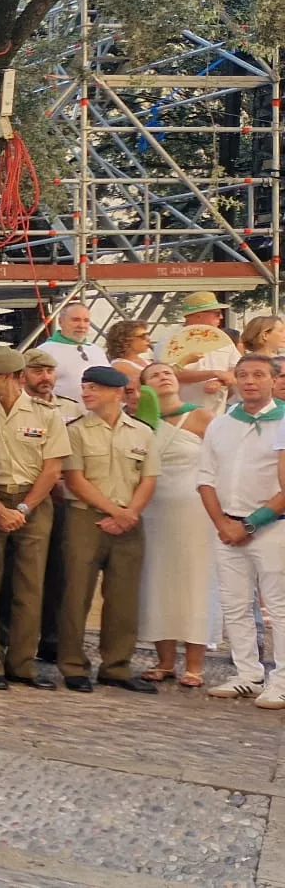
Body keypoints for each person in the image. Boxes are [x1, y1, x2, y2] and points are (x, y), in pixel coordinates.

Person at [0, 345, 71, 691]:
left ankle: (22, 663)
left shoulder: (46, 415)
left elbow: (52, 467)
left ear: (10, 377)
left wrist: (24, 508)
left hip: (34, 502)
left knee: (30, 586)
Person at [56, 365, 159, 693]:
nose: (86, 392)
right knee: (76, 594)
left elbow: (149, 478)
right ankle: (73, 665)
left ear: (117, 393)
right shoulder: (75, 430)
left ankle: (117, 666)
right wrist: (116, 512)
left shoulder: (141, 431)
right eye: (85, 386)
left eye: (95, 388)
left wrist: (129, 514)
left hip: (130, 519)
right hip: (87, 518)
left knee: (124, 597)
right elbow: (74, 479)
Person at [199, 356, 285, 704]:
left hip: (271, 526)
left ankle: (281, 678)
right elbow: (206, 477)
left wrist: (252, 523)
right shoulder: (220, 424)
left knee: (278, 606)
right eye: (243, 375)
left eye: (259, 375)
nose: (250, 381)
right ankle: (247, 672)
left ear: (273, 379)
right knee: (235, 603)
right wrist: (223, 523)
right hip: (227, 525)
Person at [136, 362, 217, 687]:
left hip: (195, 510)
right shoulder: (142, 422)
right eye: (154, 375)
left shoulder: (201, 416)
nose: (163, 376)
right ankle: (164, 659)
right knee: (157, 580)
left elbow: (216, 462)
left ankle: (195, 663)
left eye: (167, 372)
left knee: (195, 582)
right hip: (154, 509)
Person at [164, 291, 239, 412]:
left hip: (216, 416)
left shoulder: (223, 339)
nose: (221, 317)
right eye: (217, 313)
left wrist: (219, 381)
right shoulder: (170, 341)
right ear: (199, 316)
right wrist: (214, 374)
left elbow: (237, 367)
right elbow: (170, 374)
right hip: (181, 416)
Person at [40, 302, 107, 401]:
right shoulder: (44, 352)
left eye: (86, 320)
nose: (82, 325)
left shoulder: (96, 350)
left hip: (98, 414)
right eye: (75, 320)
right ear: (60, 321)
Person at [106, 319, 154, 383]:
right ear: (126, 340)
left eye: (148, 335)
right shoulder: (119, 365)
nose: (148, 339)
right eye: (143, 336)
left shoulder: (147, 361)